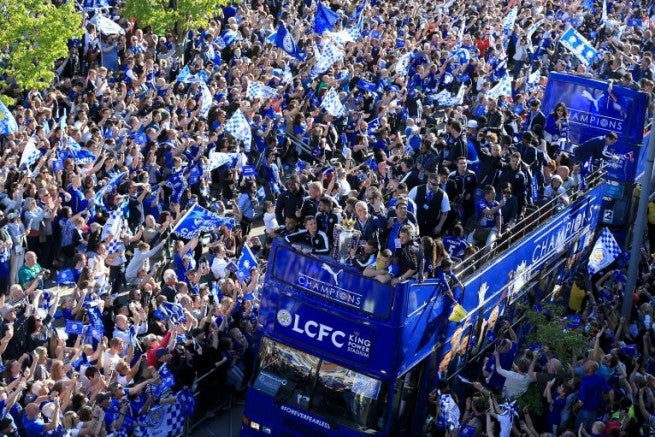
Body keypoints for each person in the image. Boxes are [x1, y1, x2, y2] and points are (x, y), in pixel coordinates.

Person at [408, 172, 451, 237]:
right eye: (433, 184)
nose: (436, 187)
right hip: (416, 223)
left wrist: (439, 226)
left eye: (438, 184)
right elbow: (408, 204)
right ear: (428, 181)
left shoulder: (443, 194)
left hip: (431, 226)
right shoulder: (417, 189)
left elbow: (445, 212)